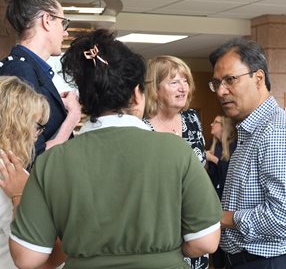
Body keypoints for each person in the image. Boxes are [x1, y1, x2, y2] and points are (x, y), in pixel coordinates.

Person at [1, 28, 222, 269]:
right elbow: (206, 241)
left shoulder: (52, 162)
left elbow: (28, 258)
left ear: (84, 100)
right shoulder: (177, 151)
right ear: (137, 95)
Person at [208, 38, 286, 269]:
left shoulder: (277, 131)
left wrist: (223, 217)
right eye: (216, 83)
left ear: (258, 78)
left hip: (273, 261)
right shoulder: (251, 130)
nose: (221, 91)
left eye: (230, 80)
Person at [143, 55, 208, 269]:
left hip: (194, 227)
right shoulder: (140, 127)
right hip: (158, 230)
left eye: (186, 81)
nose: (183, 88)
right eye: (174, 82)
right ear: (155, 88)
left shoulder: (191, 119)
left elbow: (202, 170)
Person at [0, 0, 82, 156]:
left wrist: (52, 102)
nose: (65, 32)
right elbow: (30, 154)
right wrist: (72, 118)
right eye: (63, 22)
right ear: (46, 20)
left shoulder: (27, 69)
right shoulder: (20, 71)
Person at [0, 76, 50, 269]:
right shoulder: (10, 174)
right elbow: (30, 252)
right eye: (37, 125)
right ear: (17, 124)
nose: (37, 134)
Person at [206, 115, 236, 269]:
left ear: (225, 127)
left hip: (229, 205)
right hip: (215, 202)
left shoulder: (234, 147)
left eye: (216, 122)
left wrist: (214, 160)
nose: (212, 124)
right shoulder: (215, 147)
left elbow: (229, 174)